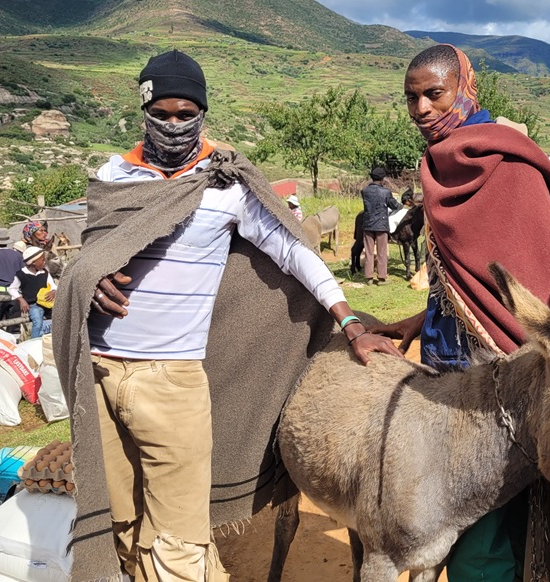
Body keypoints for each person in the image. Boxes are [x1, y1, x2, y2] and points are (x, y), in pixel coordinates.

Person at [52, 49, 402, 582]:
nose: (173, 125)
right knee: (119, 524)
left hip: (172, 380)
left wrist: (350, 322)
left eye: (185, 114)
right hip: (99, 370)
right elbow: (89, 260)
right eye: (162, 114)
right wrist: (92, 278)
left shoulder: (225, 183)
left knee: (179, 545)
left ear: (203, 113)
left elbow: (294, 252)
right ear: (144, 110)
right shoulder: (115, 175)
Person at [373, 43, 550, 582]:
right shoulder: (439, 164)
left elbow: (543, 278)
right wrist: (421, 320)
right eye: (411, 98)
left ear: (466, 88)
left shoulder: (507, 166)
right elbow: (466, 280)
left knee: (480, 534)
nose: (421, 109)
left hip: (504, 380)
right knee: (460, 511)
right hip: (446, 369)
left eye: (433, 94)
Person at [361, 166, 402, 285]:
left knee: (368, 251)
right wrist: (400, 204)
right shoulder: (386, 192)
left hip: (368, 224)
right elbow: (394, 206)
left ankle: (368, 277)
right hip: (381, 225)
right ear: (382, 179)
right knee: (381, 252)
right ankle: (381, 277)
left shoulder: (365, 191)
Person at [8, 246, 56, 338]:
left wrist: (54, 291)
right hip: (33, 305)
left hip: (47, 304)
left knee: (53, 322)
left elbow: (53, 285)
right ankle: (34, 341)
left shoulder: (45, 273)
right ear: (34, 262)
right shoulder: (21, 274)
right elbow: (11, 288)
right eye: (42, 260)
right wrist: (21, 299)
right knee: (37, 322)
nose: (44, 262)